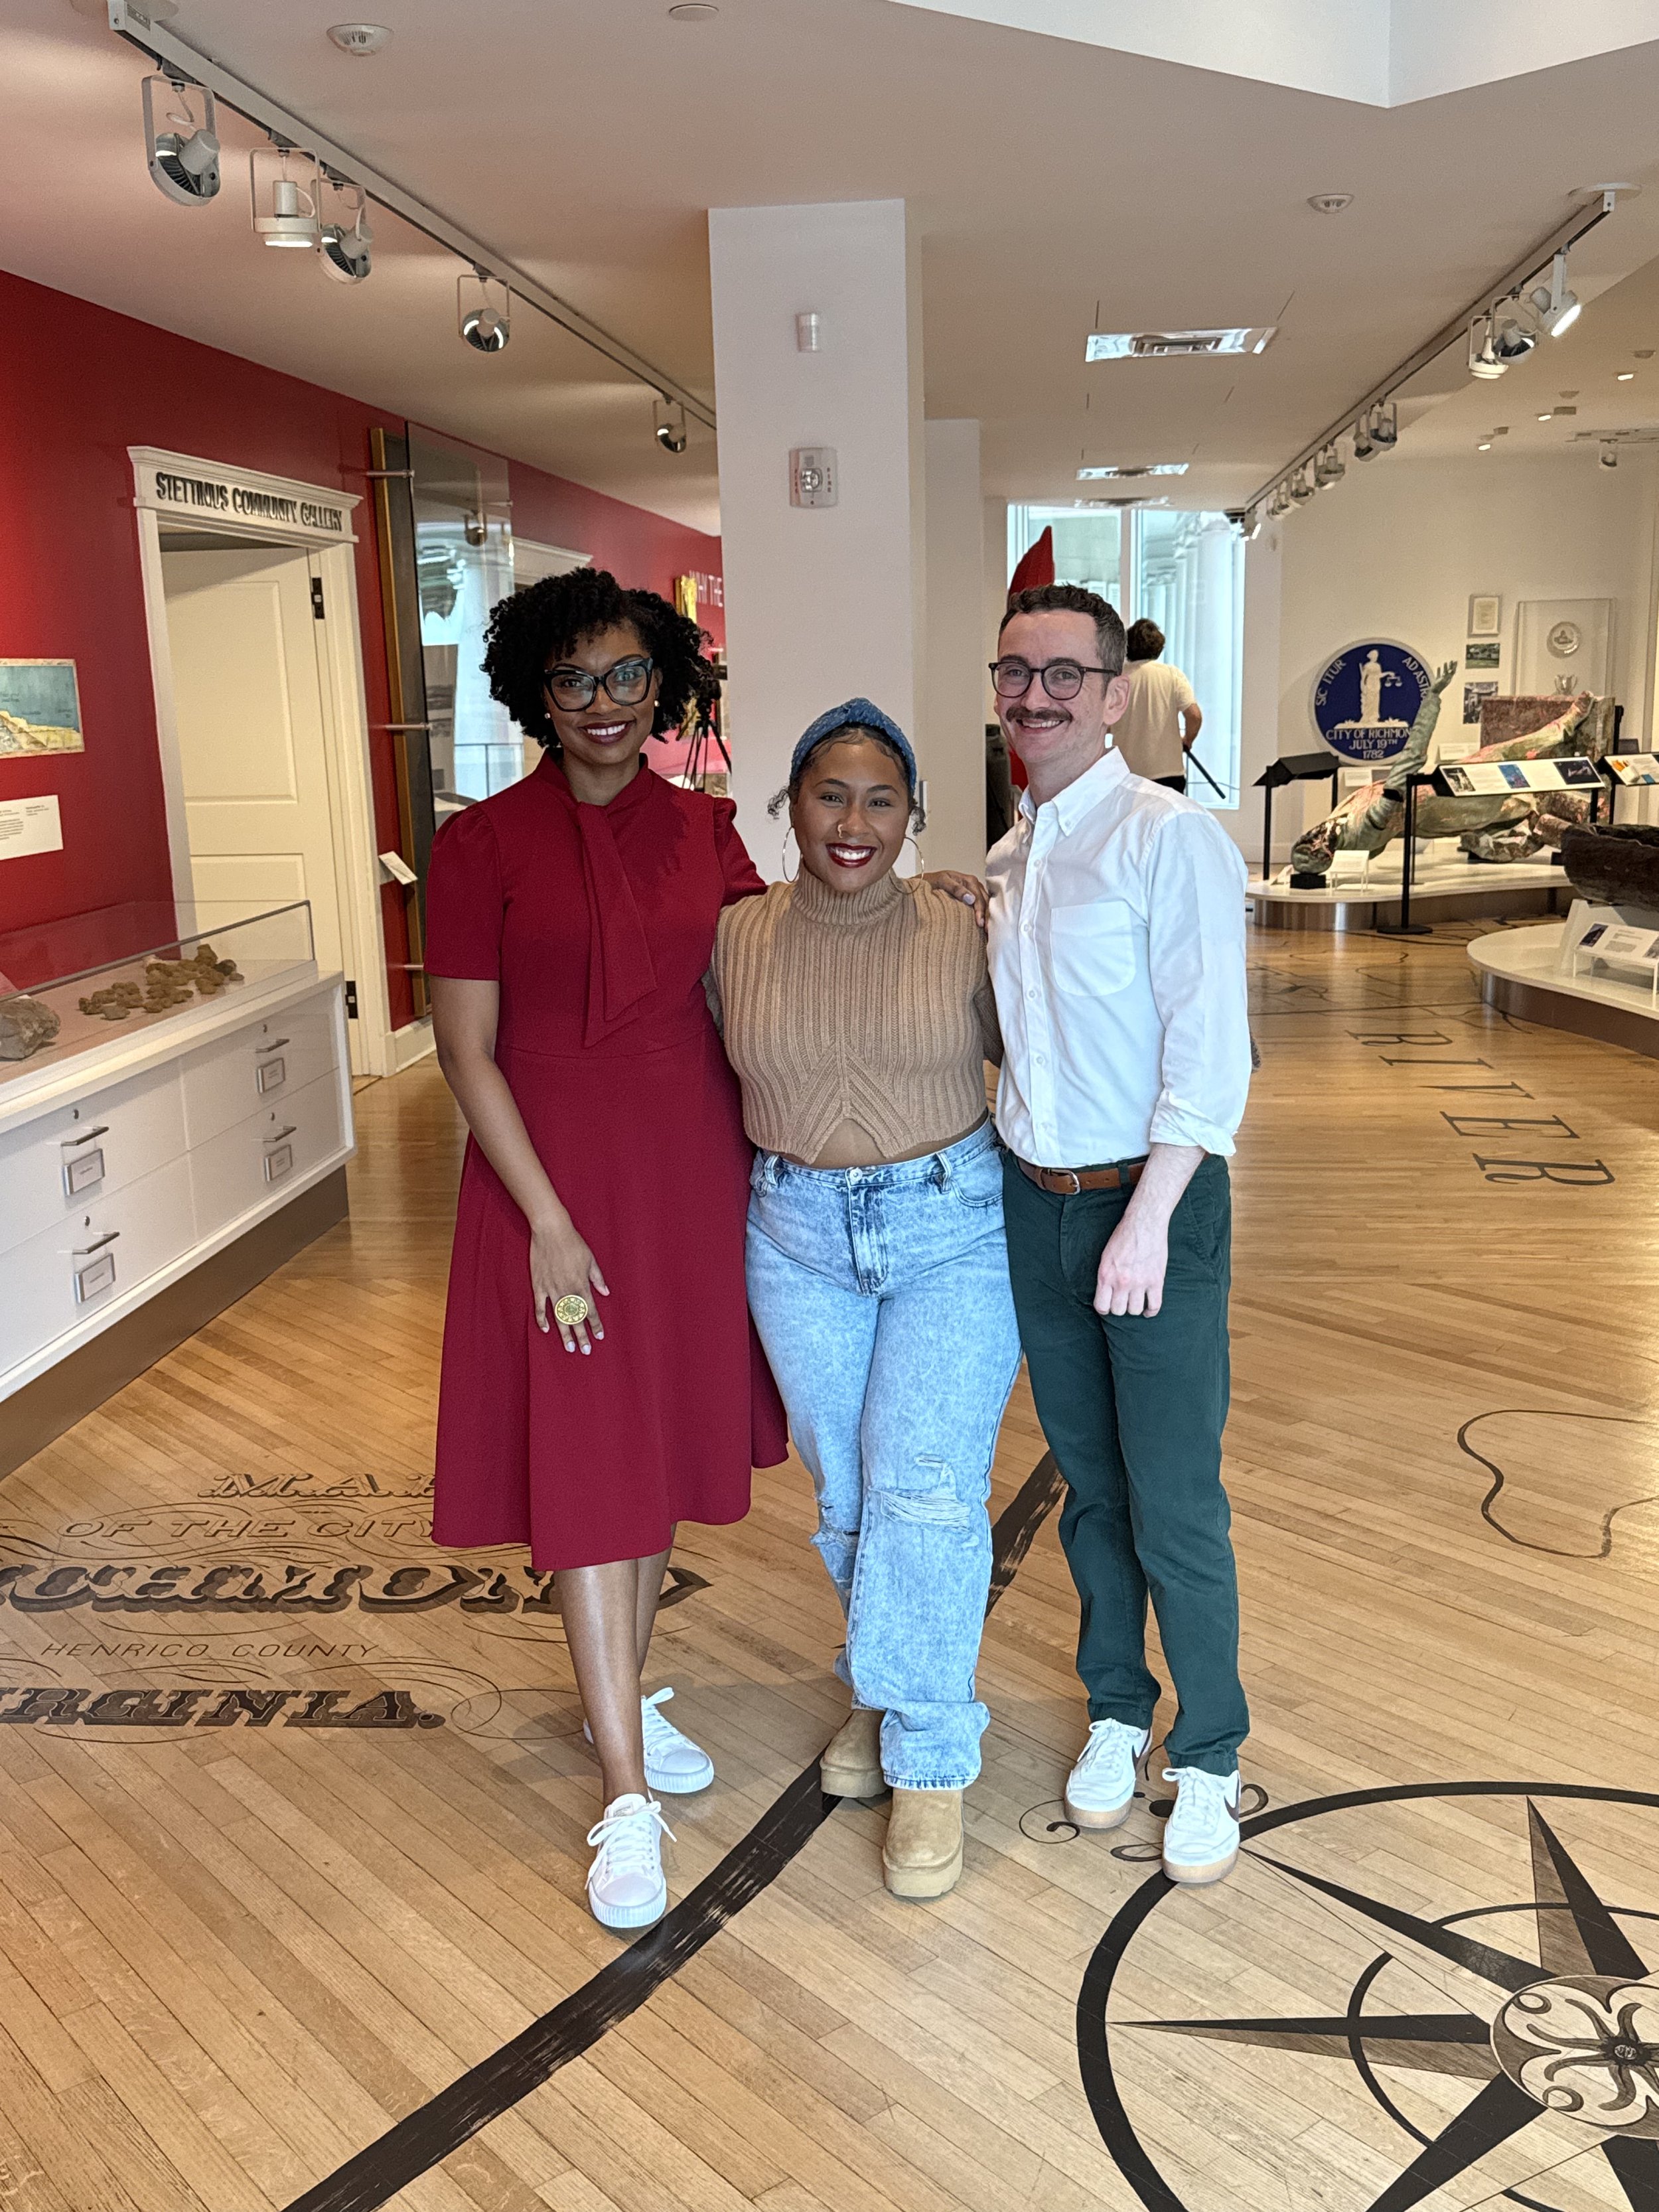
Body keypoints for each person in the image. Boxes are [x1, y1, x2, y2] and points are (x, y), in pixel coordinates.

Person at [423, 567, 786, 1934]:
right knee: (586, 1458)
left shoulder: (705, 833)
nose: (602, 704)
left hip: (689, 1175)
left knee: (645, 1448)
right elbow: (465, 1049)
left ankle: (620, 1698)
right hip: (547, 1185)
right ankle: (623, 1789)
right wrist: (548, 1221)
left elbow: (771, 975)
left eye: (627, 675)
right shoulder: (478, 846)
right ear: (535, 692)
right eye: (572, 680)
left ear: (666, 685)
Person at [713, 701, 1020, 1902]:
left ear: (915, 819)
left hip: (954, 1227)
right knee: (847, 1496)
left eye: (880, 799)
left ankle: (933, 1758)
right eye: (829, 794)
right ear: (788, 807)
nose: (854, 822)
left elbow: (1048, 1048)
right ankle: (890, 1698)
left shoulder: (964, 931)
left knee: (926, 1491)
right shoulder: (734, 935)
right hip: (792, 1236)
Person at [986, 583, 1252, 1885]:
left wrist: (1144, 1220)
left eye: (1059, 675)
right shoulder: (1005, 860)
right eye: (1012, 673)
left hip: (1147, 1206)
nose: (1031, 697)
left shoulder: (1168, 838)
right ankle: (1112, 1707)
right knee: (1089, 1491)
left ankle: (1207, 1751)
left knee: (1173, 1498)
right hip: (1031, 1203)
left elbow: (1210, 1056)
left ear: (1107, 695)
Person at [1109, 619, 1202, 791]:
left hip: (1127, 772)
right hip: (1168, 772)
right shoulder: (1172, 675)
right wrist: (1188, 739)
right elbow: (1194, 715)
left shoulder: (1117, 680)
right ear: (1159, 646)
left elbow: (1104, 724)